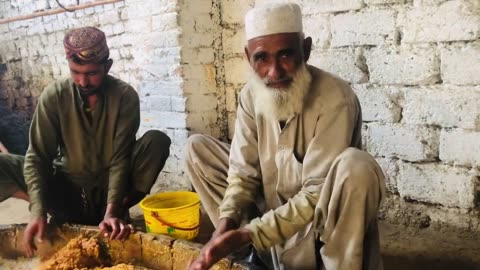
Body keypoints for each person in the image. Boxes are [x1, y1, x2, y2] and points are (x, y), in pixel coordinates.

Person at [185, 3, 386, 270]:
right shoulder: (249, 96)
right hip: (268, 222)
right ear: (248, 57)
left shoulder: (336, 99)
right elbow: (242, 174)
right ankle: (253, 257)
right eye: (262, 58)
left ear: (306, 50)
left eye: (285, 55)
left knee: (357, 167)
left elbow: (316, 195)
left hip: (316, 230)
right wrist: (223, 229)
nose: (274, 71)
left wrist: (250, 232)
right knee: (197, 149)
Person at [0, 27, 171, 257]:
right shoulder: (55, 96)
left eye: (91, 73)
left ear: (107, 66)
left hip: (111, 193)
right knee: (4, 165)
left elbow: (121, 158)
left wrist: (113, 211)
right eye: (75, 72)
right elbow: (37, 157)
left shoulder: (124, 96)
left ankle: (114, 217)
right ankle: (59, 216)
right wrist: (38, 211)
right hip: (65, 193)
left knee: (157, 142)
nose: (83, 81)